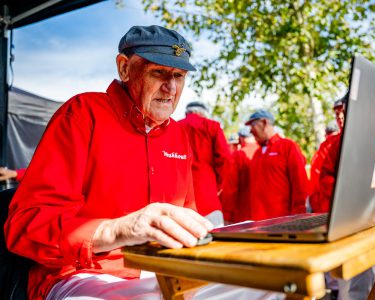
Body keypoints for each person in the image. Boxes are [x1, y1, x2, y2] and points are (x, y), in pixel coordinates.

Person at [5, 25, 279, 300]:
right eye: (158, 72)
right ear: (124, 68)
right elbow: (23, 227)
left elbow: (186, 215)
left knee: (271, 282)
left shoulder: (179, 135)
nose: (171, 88)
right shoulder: (82, 115)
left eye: (179, 76)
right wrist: (118, 229)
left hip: (162, 268)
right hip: (83, 273)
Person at [246, 109, 308, 220]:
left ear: (264, 123)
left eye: (253, 125)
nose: (250, 131)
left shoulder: (288, 146)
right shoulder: (257, 154)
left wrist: (299, 217)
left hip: (282, 223)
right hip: (258, 224)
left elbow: (300, 184)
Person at [178, 101, 231, 221]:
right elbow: (225, 158)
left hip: (180, 197)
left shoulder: (174, 127)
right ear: (202, 113)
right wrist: (219, 184)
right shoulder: (213, 126)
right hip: (208, 194)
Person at [309, 100, 343, 213]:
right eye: (337, 113)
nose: (340, 116)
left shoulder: (334, 143)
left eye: (342, 111)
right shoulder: (326, 146)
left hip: (335, 207)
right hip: (323, 206)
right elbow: (320, 175)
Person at [221, 127, 259, 223]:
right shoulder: (265, 151)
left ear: (241, 139)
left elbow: (230, 187)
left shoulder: (239, 155)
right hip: (267, 215)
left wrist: (227, 214)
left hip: (242, 215)